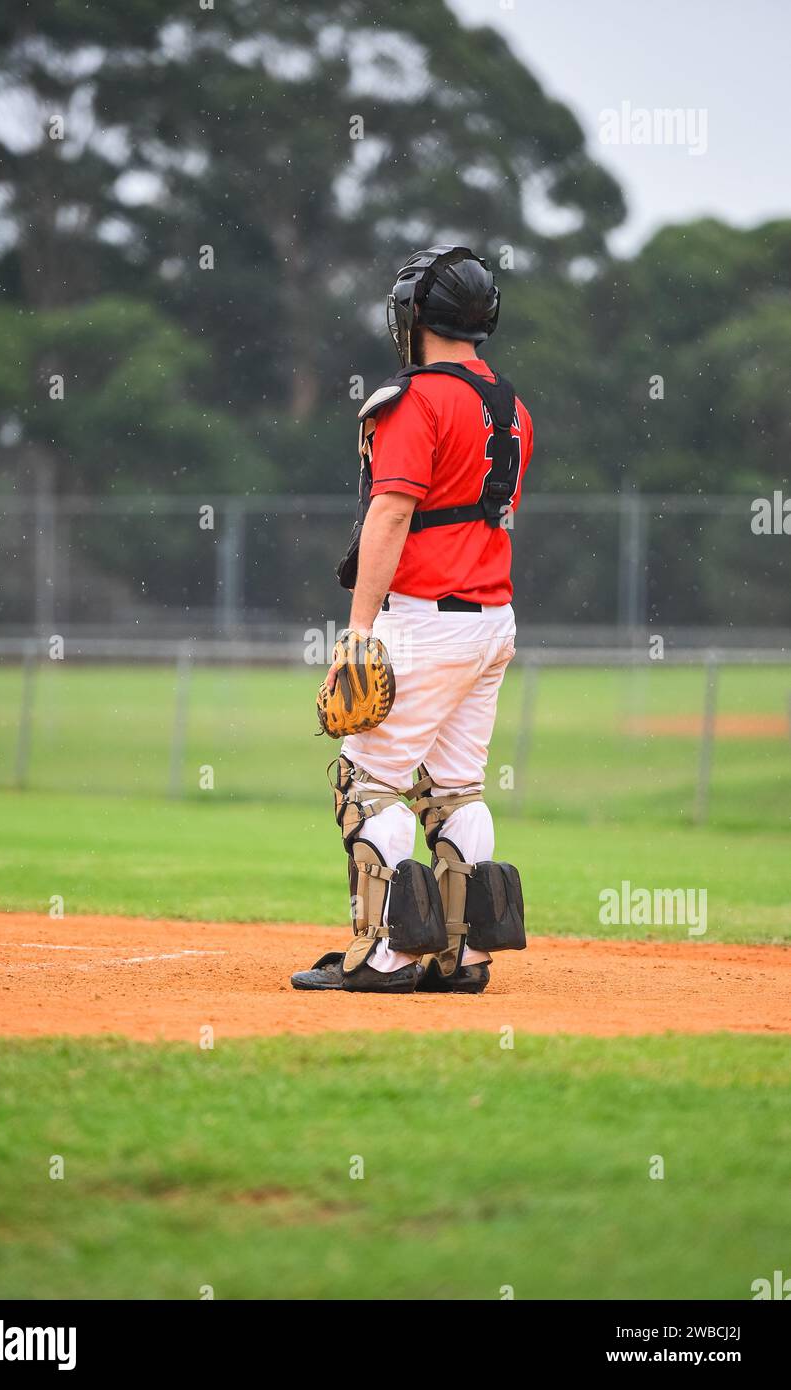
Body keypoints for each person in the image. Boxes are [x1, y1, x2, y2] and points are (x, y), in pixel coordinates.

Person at [292, 245, 533, 995]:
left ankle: (388, 956)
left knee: (366, 787)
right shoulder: (512, 407)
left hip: (425, 620)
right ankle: (462, 956)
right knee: (456, 789)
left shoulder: (415, 399)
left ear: (412, 319)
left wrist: (360, 627)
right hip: (492, 619)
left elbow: (391, 511)